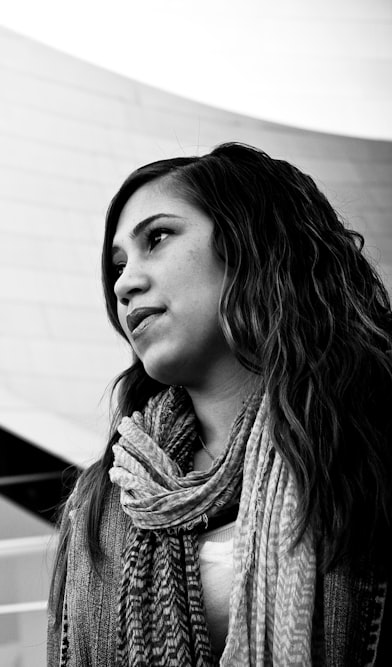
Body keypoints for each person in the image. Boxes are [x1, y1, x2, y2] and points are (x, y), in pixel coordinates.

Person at [46, 142, 392, 666]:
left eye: (156, 238)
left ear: (250, 240)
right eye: (117, 265)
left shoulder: (370, 437)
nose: (124, 283)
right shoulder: (104, 502)